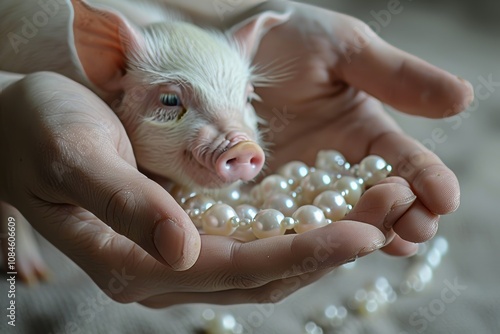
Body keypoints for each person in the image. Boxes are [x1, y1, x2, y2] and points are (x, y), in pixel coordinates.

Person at [0, 1, 472, 307]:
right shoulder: (53, 47)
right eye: (170, 102)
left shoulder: (147, 49)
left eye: (247, 98)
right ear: (110, 62)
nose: (241, 142)